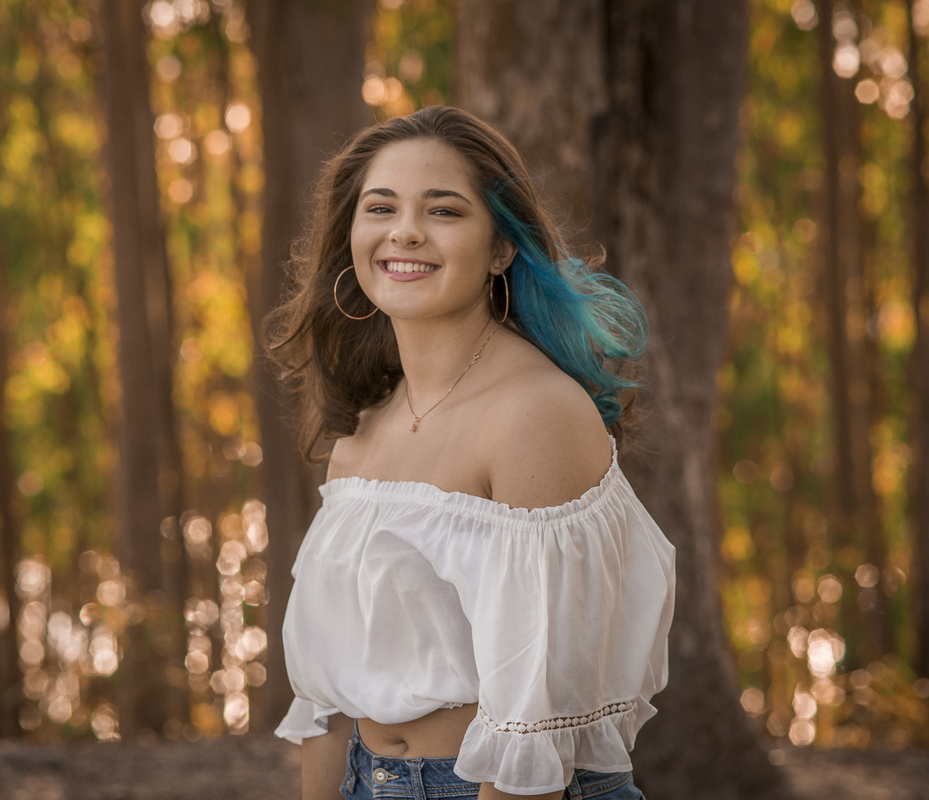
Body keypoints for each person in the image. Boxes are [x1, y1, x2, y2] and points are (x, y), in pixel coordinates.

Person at [266, 105, 675, 800]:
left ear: (500, 248)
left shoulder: (535, 414)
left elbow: (535, 739)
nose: (405, 232)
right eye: (381, 207)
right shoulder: (362, 434)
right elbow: (325, 706)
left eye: (444, 211)